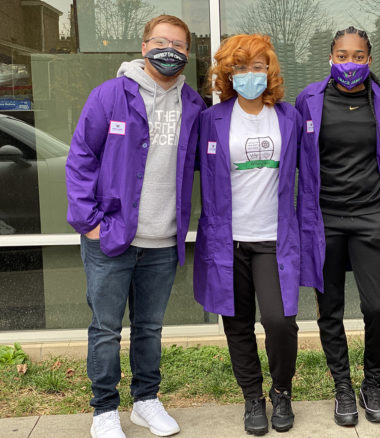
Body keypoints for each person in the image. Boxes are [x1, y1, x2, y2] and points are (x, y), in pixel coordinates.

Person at [66, 15, 205, 438]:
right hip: (111, 237)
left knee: (149, 327)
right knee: (106, 328)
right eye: (161, 42)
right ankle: (104, 409)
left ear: (187, 52)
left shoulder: (194, 106)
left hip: (162, 240)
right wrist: (88, 222)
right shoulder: (110, 95)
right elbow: (81, 157)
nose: (170, 51)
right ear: (144, 47)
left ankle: (146, 400)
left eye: (179, 45)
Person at [193, 34, 302, 436]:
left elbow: (309, 174)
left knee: (279, 321)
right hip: (227, 240)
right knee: (237, 324)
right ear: (227, 73)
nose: (249, 75)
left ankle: (282, 391)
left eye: (257, 67)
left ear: (269, 70)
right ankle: (252, 398)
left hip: (274, 239)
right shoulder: (211, 119)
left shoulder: (288, 117)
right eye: (239, 68)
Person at [295, 26, 380, 427]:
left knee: (378, 306)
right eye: (343, 55)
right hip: (325, 221)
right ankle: (343, 385)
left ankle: (372, 382)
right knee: (331, 309)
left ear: (369, 60)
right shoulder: (310, 99)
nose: (350, 63)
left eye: (358, 56)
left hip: (372, 216)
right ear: (331, 59)